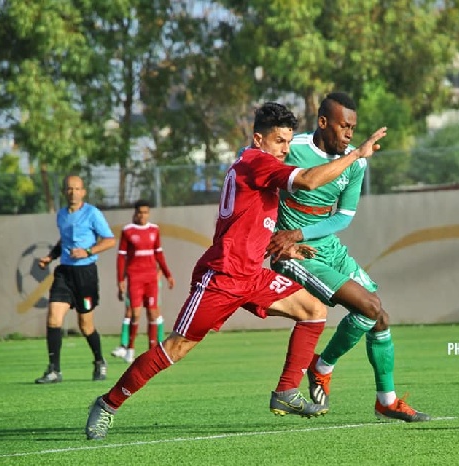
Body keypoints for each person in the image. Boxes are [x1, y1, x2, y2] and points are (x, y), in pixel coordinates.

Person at [85, 102, 388, 440]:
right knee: (175, 349)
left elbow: (251, 221)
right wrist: (357, 154)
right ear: (258, 139)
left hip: (252, 275)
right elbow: (308, 181)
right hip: (223, 277)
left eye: (288, 142)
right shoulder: (257, 162)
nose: (285, 150)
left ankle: (286, 391)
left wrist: (284, 243)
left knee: (313, 310)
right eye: (278, 142)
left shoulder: (258, 165)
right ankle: (107, 405)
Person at [268, 92, 430, 423]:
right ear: (323, 122)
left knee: (379, 316)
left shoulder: (356, 163)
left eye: (353, 128)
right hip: (294, 253)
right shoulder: (292, 150)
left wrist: (301, 233)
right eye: (344, 126)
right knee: (368, 307)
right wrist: (274, 236)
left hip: (324, 246)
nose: (349, 134)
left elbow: (343, 216)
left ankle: (385, 400)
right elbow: (255, 175)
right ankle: (322, 367)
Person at [35, 175, 116, 384]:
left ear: (83, 192)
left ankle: (99, 360)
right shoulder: (61, 215)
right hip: (64, 273)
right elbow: (64, 240)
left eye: (77, 189)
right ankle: (54, 370)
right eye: (69, 189)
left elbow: (110, 240)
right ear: (65, 192)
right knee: (53, 318)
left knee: (85, 325)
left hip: (85, 274)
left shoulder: (92, 213)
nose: (73, 192)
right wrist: (50, 257)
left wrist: (88, 251)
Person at [112, 201, 175, 363]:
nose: (143, 215)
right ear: (135, 213)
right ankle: (130, 349)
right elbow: (121, 257)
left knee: (153, 313)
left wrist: (168, 274)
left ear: (149, 213)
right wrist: (120, 279)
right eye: (140, 212)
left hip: (151, 278)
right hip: (135, 278)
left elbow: (159, 254)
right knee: (135, 314)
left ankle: (152, 351)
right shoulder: (127, 231)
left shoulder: (154, 230)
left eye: (146, 212)